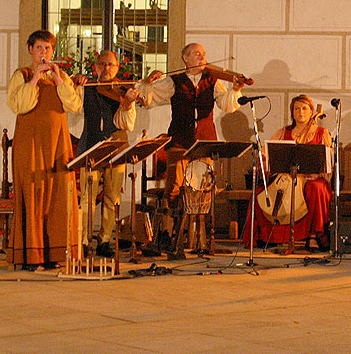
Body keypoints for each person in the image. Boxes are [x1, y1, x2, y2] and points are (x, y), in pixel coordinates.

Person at [6, 30, 81, 270]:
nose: (44, 53)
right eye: (39, 48)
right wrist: (34, 79)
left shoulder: (62, 77)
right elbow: (19, 105)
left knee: (59, 196)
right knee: (34, 194)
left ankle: (56, 253)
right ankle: (31, 257)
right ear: (31, 49)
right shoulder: (22, 75)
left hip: (58, 144)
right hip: (31, 144)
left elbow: (73, 105)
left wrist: (59, 79)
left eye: (48, 48)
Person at [136, 42, 243, 200]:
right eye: (196, 54)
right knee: (173, 190)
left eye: (204, 54)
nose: (202, 57)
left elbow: (226, 104)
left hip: (204, 142)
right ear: (185, 58)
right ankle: (169, 224)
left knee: (202, 190)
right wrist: (147, 82)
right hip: (179, 142)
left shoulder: (212, 80)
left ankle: (198, 224)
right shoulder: (175, 81)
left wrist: (235, 89)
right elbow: (149, 98)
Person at [72, 51, 138, 258]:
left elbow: (126, 123)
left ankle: (105, 239)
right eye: (102, 64)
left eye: (111, 65)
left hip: (116, 148)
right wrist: (75, 83)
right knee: (87, 198)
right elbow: (72, 104)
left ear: (118, 68)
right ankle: (83, 241)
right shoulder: (88, 87)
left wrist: (127, 103)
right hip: (90, 146)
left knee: (112, 197)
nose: (106, 68)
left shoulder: (123, 90)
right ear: (96, 67)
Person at [244, 94, 332, 251]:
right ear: (292, 112)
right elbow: (270, 160)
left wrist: (317, 173)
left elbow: (327, 164)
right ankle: (266, 236)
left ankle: (313, 235)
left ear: (312, 111)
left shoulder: (321, 133)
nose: (300, 112)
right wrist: (264, 157)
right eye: (296, 109)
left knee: (316, 188)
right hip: (285, 177)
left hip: (311, 178)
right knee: (258, 192)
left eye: (304, 108)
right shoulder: (282, 132)